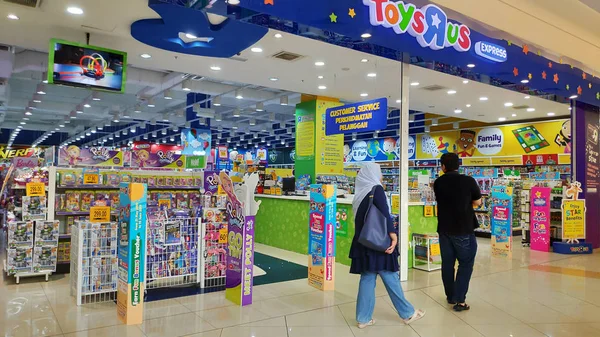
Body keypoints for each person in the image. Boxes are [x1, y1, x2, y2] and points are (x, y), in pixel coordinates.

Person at [349, 163, 425, 329]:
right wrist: (393, 235)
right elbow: (385, 214)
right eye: (380, 172)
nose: (382, 175)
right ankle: (407, 313)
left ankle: (363, 318)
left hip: (364, 241)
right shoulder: (376, 189)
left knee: (368, 277)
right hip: (379, 241)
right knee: (390, 274)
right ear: (374, 173)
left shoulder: (360, 193)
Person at [433, 153, 482, 312]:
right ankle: (460, 300)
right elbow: (478, 201)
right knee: (466, 263)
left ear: (443, 166)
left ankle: (451, 296)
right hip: (463, 229)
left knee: (447, 264)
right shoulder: (468, 181)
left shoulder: (438, 183)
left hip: (444, 229)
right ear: (458, 165)